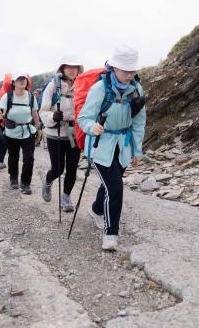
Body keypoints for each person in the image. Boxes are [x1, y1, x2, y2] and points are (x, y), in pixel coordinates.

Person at [78, 45, 146, 251]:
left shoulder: (136, 90)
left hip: (123, 146)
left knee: (109, 185)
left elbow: (139, 122)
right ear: (114, 67)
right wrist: (93, 127)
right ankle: (110, 234)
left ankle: (96, 210)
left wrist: (137, 150)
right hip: (101, 146)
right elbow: (83, 117)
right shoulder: (100, 88)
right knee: (115, 188)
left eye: (132, 70)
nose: (129, 74)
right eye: (125, 70)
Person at [40, 57, 84, 211]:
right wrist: (53, 117)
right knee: (58, 169)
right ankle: (47, 180)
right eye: (68, 67)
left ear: (79, 69)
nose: (72, 70)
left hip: (74, 133)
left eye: (75, 67)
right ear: (62, 69)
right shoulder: (54, 86)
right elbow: (43, 111)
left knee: (72, 169)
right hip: (55, 133)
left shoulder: (82, 86)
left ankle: (66, 197)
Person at [0, 73, 41, 194]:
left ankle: (26, 183)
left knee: (29, 158)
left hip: (28, 131)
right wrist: (1, 116)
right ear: (13, 82)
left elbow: (35, 114)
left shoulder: (31, 97)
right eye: (19, 79)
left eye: (24, 79)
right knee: (13, 156)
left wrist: (38, 129)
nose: (22, 81)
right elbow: (1, 113)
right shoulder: (7, 97)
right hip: (12, 132)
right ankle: (13, 178)